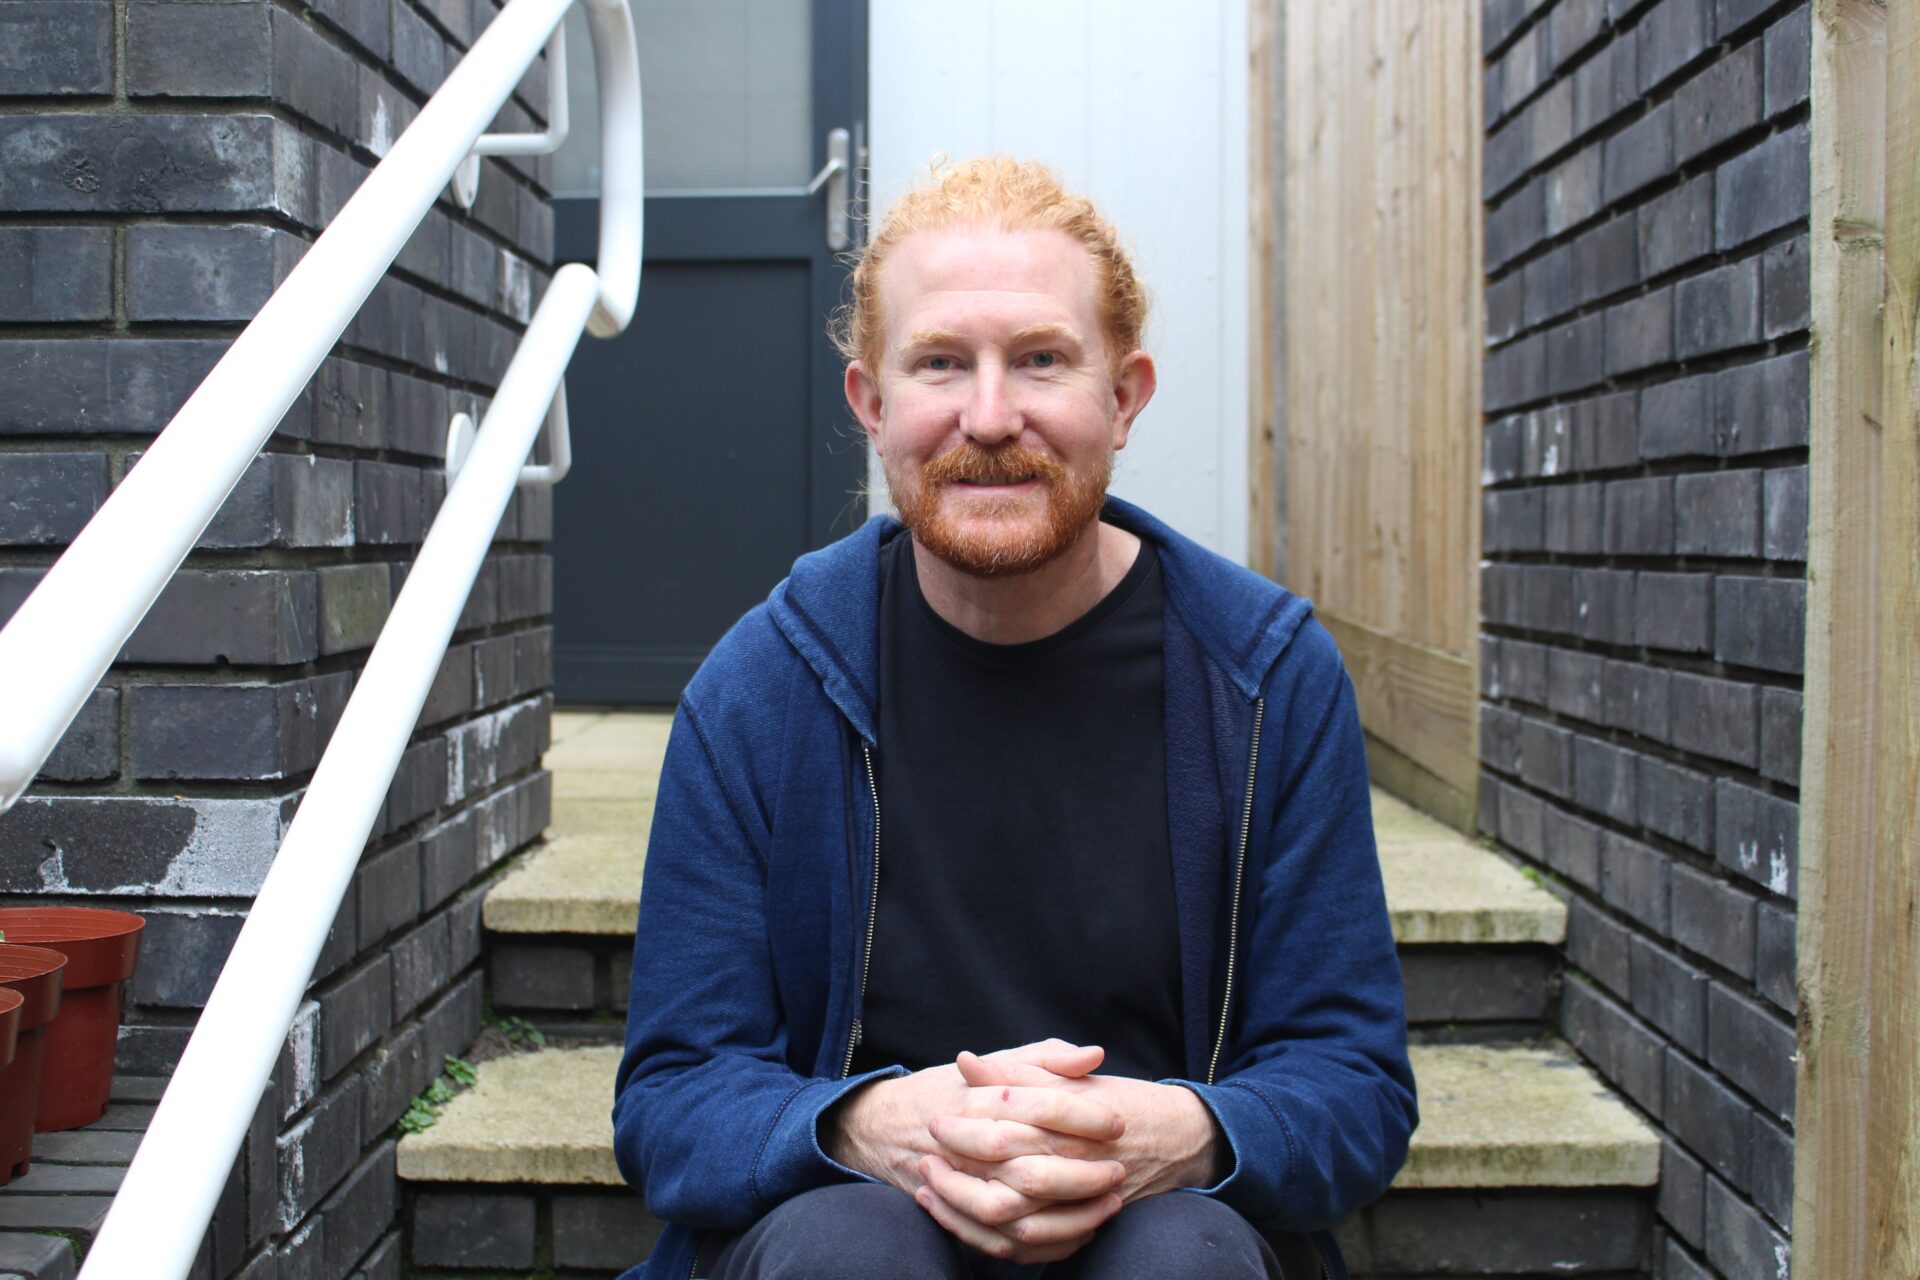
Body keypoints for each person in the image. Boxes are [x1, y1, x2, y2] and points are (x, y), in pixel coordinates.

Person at [611, 156, 1416, 1280]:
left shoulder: (1268, 678)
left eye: (1041, 359)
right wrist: (864, 1124)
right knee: (847, 1250)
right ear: (874, 404)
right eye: (941, 363)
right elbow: (671, 1100)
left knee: (1182, 1257)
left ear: (1124, 396)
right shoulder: (763, 686)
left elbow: (1356, 1084)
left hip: (1162, 1227)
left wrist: (1178, 1134)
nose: (989, 417)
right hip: (851, 1228)